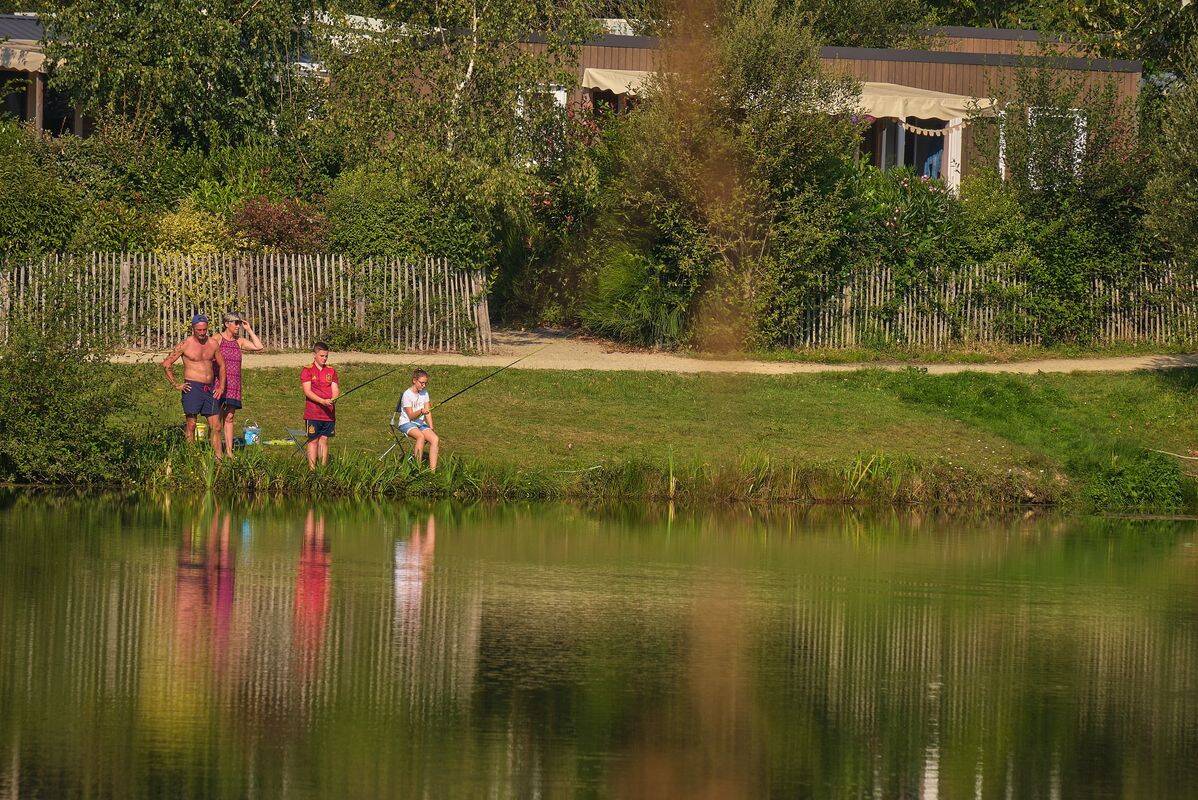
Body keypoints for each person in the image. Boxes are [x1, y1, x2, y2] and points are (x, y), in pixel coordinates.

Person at [162, 314, 226, 456]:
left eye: (204, 330)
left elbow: (222, 366)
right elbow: (166, 364)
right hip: (192, 388)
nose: (202, 333)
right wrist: (176, 384)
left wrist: (221, 386)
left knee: (216, 426)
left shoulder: (213, 344)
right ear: (193, 329)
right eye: (199, 330)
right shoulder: (185, 344)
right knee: (191, 425)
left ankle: (219, 459)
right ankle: (191, 457)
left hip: (210, 389)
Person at [213, 312, 263, 458]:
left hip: (234, 385)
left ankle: (229, 451)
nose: (238, 326)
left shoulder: (239, 341)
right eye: (236, 323)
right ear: (226, 324)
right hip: (219, 384)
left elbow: (258, 346)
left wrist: (249, 330)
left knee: (229, 418)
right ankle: (217, 452)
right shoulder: (217, 339)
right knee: (217, 420)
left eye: (239, 323)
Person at [300, 342, 339, 470]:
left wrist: (334, 399)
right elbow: (307, 391)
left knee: (324, 440)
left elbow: (335, 389)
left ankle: (323, 468)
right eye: (322, 356)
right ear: (314, 355)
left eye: (326, 356)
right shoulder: (307, 370)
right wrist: (322, 401)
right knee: (313, 440)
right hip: (313, 413)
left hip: (328, 413)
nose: (324, 358)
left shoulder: (331, 370)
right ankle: (312, 469)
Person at [397, 369, 440, 471]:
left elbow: (428, 412)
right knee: (420, 437)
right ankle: (417, 469)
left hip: (420, 424)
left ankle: (432, 472)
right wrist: (421, 411)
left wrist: (431, 427)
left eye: (426, 383)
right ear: (414, 380)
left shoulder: (425, 393)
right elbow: (411, 416)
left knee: (435, 439)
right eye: (422, 383)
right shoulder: (407, 395)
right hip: (407, 422)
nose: (424, 385)